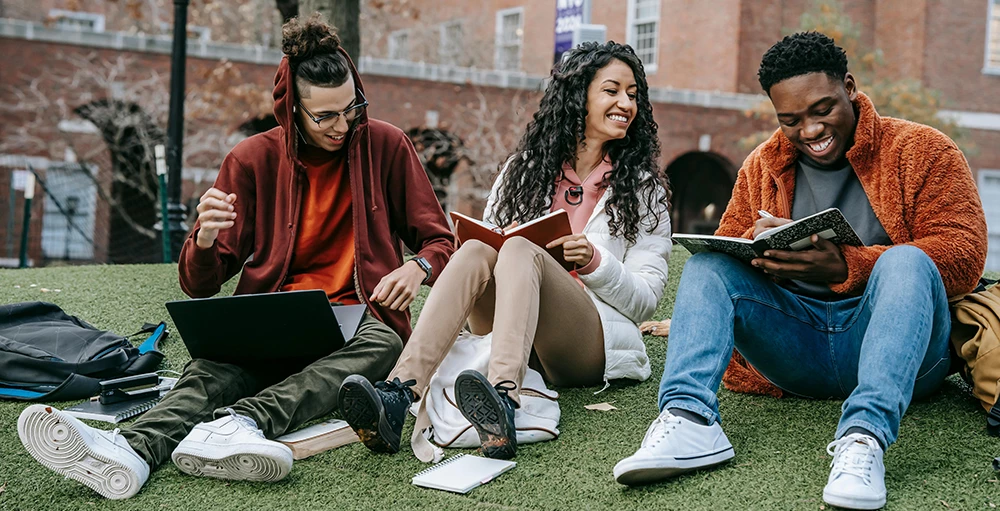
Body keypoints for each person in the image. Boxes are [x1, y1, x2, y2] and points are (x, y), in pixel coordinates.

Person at [16, 14, 454, 500]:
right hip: (274, 312)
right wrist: (203, 239)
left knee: (386, 346)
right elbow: (199, 285)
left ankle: (242, 423)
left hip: (359, 312)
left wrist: (419, 266)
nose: (343, 125)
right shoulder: (250, 159)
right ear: (292, 110)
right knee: (212, 368)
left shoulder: (387, 146)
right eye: (325, 115)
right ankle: (130, 452)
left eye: (351, 108)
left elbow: (441, 241)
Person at [614, 32, 987, 510]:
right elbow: (731, 250)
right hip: (796, 350)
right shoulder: (763, 164)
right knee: (709, 265)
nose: (809, 131)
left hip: (901, 354)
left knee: (908, 260)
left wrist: (848, 265)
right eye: (790, 120)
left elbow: (965, 254)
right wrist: (762, 255)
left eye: (822, 110)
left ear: (849, 87)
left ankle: (863, 439)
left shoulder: (924, 150)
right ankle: (688, 420)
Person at [336, 41, 672, 461]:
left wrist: (594, 262)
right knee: (479, 247)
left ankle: (503, 400)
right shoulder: (524, 170)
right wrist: (502, 238)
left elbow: (644, 301)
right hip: (509, 328)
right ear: (578, 96)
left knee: (519, 251)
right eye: (612, 90)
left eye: (633, 94)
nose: (626, 102)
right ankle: (399, 393)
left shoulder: (642, 189)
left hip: (586, 342)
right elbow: (489, 251)